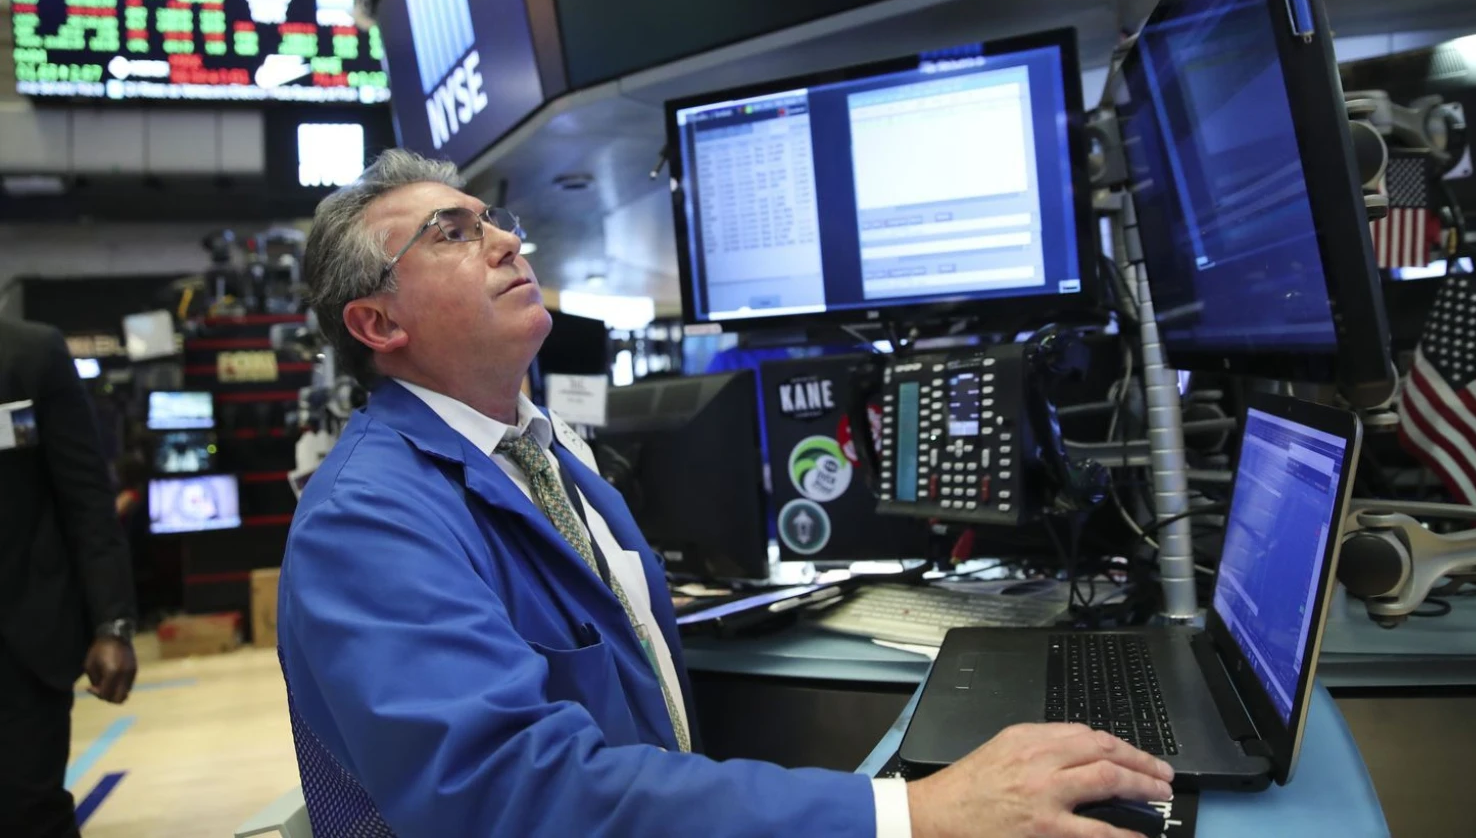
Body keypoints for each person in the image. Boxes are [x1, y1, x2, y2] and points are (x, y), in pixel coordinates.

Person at [279, 150, 1175, 838]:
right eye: (451, 233)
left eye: (493, 219)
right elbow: (508, 793)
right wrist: (913, 813)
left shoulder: (546, 452)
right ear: (378, 322)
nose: (507, 241)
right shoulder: (367, 519)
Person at [0, 318, 138, 838]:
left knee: (28, 813)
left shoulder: (28, 355)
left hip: (19, 645)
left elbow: (87, 500)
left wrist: (113, 624)